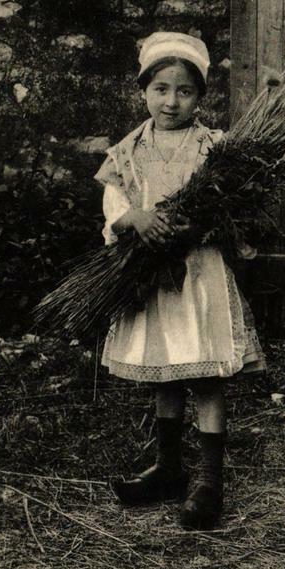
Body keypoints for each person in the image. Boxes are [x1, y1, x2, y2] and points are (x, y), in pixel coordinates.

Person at [94, 31, 265, 530]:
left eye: (185, 91)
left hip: (199, 273)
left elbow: (236, 209)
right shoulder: (130, 149)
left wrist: (201, 225)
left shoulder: (215, 148)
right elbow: (114, 201)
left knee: (204, 372)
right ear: (143, 91)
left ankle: (209, 481)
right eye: (161, 89)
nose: (171, 101)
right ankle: (169, 468)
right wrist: (137, 219)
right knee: (165, 365)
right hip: (151, 274)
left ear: (200, 97)